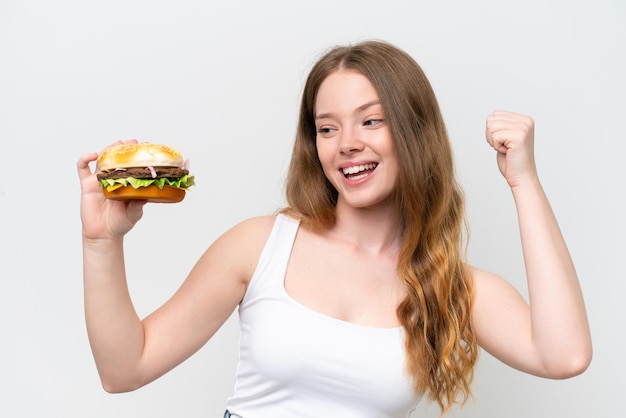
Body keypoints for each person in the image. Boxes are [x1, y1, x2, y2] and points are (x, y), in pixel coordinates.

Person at [77, 40, 592, 417]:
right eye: (327, 127)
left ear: (416, 133)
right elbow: (125, 370)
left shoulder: (452, 285)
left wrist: (524, 182)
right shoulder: (260, 246)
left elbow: (564, 355)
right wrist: (102, 243)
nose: (345, 143)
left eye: (371, 121)